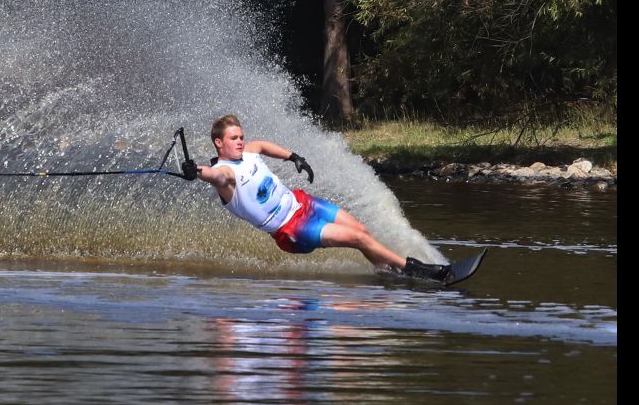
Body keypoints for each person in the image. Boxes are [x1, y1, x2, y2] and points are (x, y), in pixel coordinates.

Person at [180, 114, 451, 281]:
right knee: (358, 239)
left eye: (241, 136)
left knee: (362, 231)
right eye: (233, 138)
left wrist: (293, 157)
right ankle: (416, 269)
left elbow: (261, 145)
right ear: (219, 143)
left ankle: (385, 271)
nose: (240, 141)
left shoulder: (247, 152)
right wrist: (197, 171)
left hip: (303, 202)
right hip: (291, 229)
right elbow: (215, 176)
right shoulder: (224, 174)